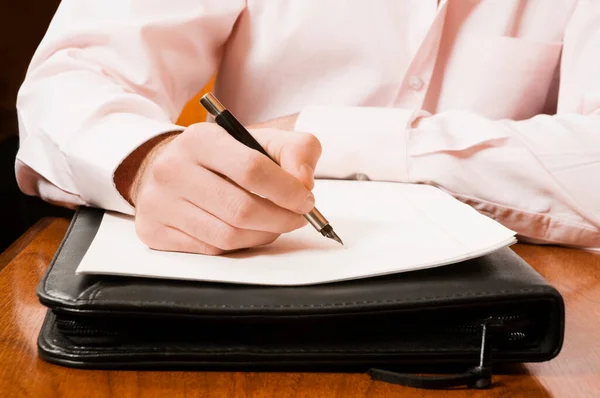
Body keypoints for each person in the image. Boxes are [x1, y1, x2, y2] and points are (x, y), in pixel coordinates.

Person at [15, 0, 600, 254]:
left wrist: (328, 135)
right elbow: (72, 78)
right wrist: (145, 161)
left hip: (504, 315)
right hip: (249, 271)